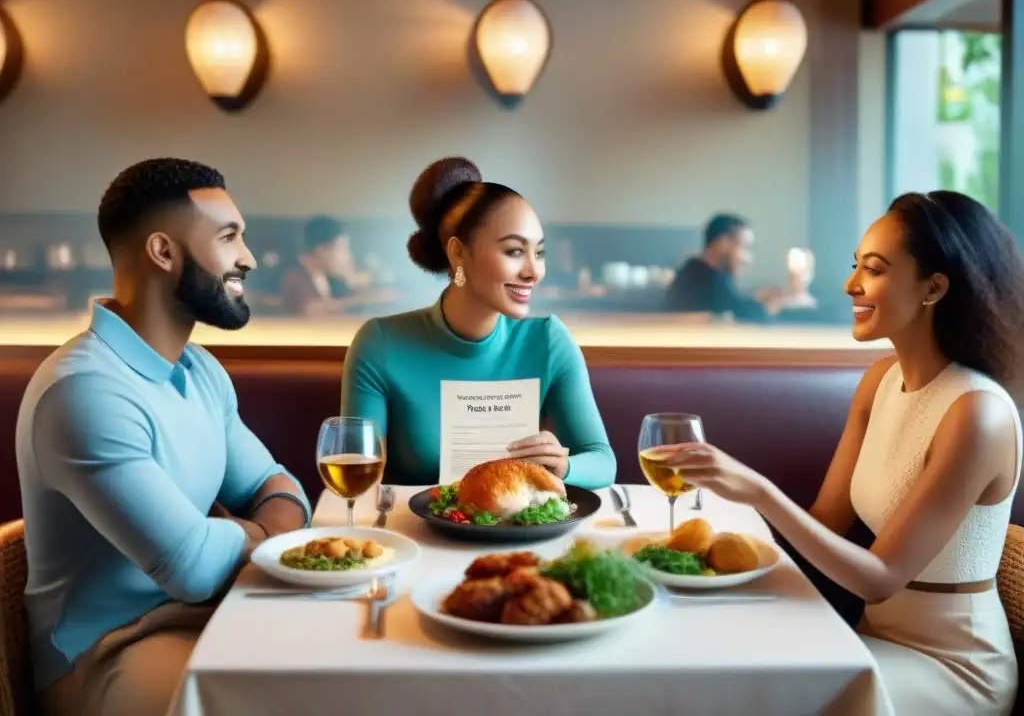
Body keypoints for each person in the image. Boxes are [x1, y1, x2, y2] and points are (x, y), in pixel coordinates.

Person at [664, 191, 1024, 715]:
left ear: (934, 288)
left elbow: (879, 580)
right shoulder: (880, 380)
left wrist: (758, 492)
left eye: (873, 270)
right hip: (867, 641)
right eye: (856, 266)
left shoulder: (977, 414)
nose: (850, 285)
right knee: (713, 664)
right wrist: (709, 561)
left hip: (953, 666)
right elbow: (827, 523)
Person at [15, 158, 312, 716]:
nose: (247, 257)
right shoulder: (83, 391)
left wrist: (235, 533)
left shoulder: (200, 371)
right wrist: (259, 534)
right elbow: (193, 568)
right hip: (109, 652)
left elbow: (283, 488)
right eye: (229, 237)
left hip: (215, 612)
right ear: (163, 252)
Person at [341, 156, 615, 489]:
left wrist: (563, 466)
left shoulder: (548, 340)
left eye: (538, 252)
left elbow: (602, 461)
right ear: (458, 254)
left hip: (518, 533)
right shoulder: (380, 343)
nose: (534, 271)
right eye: (514, 251)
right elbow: (358, 479)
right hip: (415, 535)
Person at [666, 213, 785, 319]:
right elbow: (740, 312)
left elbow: (732, 300)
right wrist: (767, 308)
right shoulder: (701, 278)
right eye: (742, 246)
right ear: (723, 244)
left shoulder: (702, 271)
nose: (746, 257)